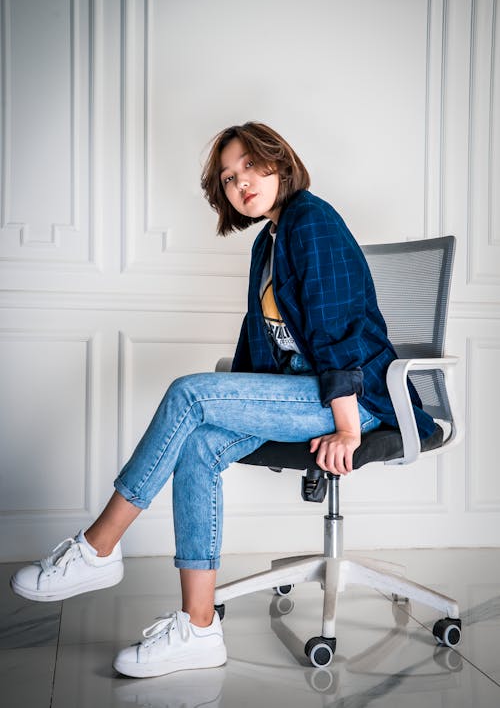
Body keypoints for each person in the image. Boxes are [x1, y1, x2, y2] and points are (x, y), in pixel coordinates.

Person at [10, 122, 436, 679]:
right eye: (229, 179)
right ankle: (199, 627)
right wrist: (235, 397)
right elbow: (259, 345)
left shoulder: (313, 222)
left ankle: (98, 546)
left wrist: (349, 428)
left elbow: (339, 331)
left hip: (359, 397)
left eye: (250, 167)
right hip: (301, 394)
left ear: (279, 161)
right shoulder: (269, 241)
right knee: (200, 445)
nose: (242, 184)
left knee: (189, 393)